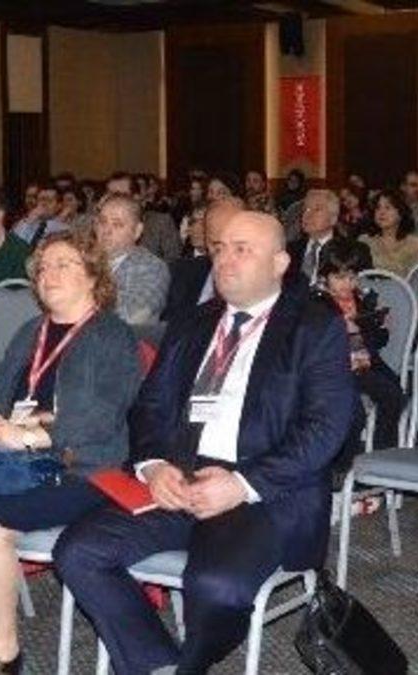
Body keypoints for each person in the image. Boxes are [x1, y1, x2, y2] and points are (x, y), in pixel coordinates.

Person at [54, 211, 357, 675]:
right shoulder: (194, 323)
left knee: (217, 586)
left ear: (279, 263)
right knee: (78, 552)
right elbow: (150, 406)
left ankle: (189, 666)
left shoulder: (314, 327)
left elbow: (325, 429)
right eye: (220, 249)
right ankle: (156, 663)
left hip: (265, 491)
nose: (225, 260)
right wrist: (154, 465)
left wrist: (241, 484)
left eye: (242, 250)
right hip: (179, 481)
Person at [0, 231, 143, 675]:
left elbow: (101, 418)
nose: (48, 275)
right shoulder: (32, 331)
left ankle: (5, 649)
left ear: (93, 276)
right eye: (43, 267)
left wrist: (30, 434)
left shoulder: (112, 335)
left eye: (63, 264)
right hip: (14, 462)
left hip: (82, 468)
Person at [316, 242, 405, 452]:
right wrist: (341, 328)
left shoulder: (364, 299)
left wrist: (380, 327)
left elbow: (377, 341)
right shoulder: (317, 302)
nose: (347, 284)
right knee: (353, 410)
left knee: (394, 395)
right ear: (324, 277)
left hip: (364, 363)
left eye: (352, 277)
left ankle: (383, 451)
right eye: (339, 278)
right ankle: (344, 459)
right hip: (333, 367)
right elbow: (314, 342)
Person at [163, 199, 243, 324]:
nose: (224, 252)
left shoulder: (255, 281)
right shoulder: (180, 272)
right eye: (216, 243)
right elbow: (165, 324)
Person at [94, 194, 169, 324]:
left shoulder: (152, 268)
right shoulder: (83, 260)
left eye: (117, 224)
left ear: (137, 231)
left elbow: (132, 316)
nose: (106, 231)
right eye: (102, 222)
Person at [287, 189, 372, 285]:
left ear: (333, 218)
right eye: (305, 210)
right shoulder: (289, 250)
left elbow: (364, 287)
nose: (307, 215)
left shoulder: (355, 250)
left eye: (317, 209)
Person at [359, 189, 418, 278]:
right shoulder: (365, 242)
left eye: (388, 208)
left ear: (400, 213)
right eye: (377, 208)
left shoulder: (417, 245)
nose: (381, 212)